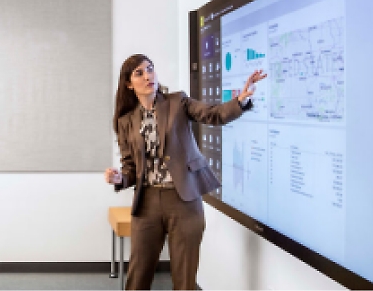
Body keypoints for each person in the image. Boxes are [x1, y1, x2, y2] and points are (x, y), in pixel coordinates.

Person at [104, 54, 266, 290]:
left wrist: (240, 100)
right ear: (129, 84)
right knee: (137, 278)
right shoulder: (125, 121)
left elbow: (213, 114)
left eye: (150, 69)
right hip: (146, 202)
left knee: (185, 280)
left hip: (184, 200)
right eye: (139, 73)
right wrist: (120, 177)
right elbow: (130, 167)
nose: (148, 75)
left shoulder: (177, 102)